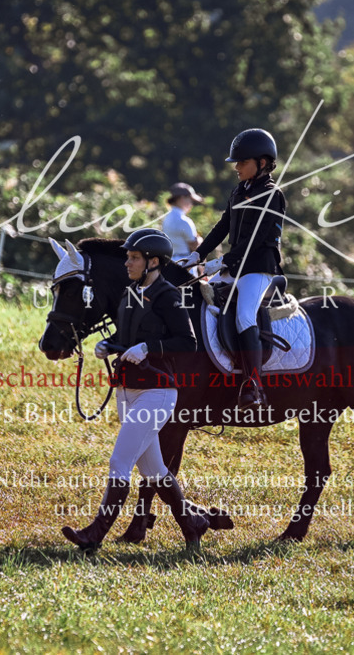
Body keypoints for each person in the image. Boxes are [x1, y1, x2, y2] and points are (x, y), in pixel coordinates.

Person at [61, 228, 224, 552]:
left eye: (134, 258)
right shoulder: (130, 294)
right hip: (128, 390)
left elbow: (186, 342)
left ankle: (95, 533)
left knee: (119, 463)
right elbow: (125, 334)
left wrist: (149, 347)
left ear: (153, 262)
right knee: (155, 470)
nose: (127, 263)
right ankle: (193, 523)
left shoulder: (168, 296)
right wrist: (110, 344)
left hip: (158, 391)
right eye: (128, 257)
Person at [177, 128, 287, 409]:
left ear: (262, 162)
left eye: (242, 162)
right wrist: (197, 255)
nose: (236, 167)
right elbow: (223, 227)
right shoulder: (240, 191)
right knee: (202, 305)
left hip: (258, 269)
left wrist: (223, 261)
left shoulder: (272, 195)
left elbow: (256, 240)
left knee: (243, 316)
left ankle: (253, 385)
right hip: (234, 266)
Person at [161, 182, 203, 276]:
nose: (191, 204)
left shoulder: (166, 219)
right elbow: (195, 247)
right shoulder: (184, 221)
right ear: (181, 198)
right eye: (190, 199)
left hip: (170, 265)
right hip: (186, 266)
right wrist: (200, 240)